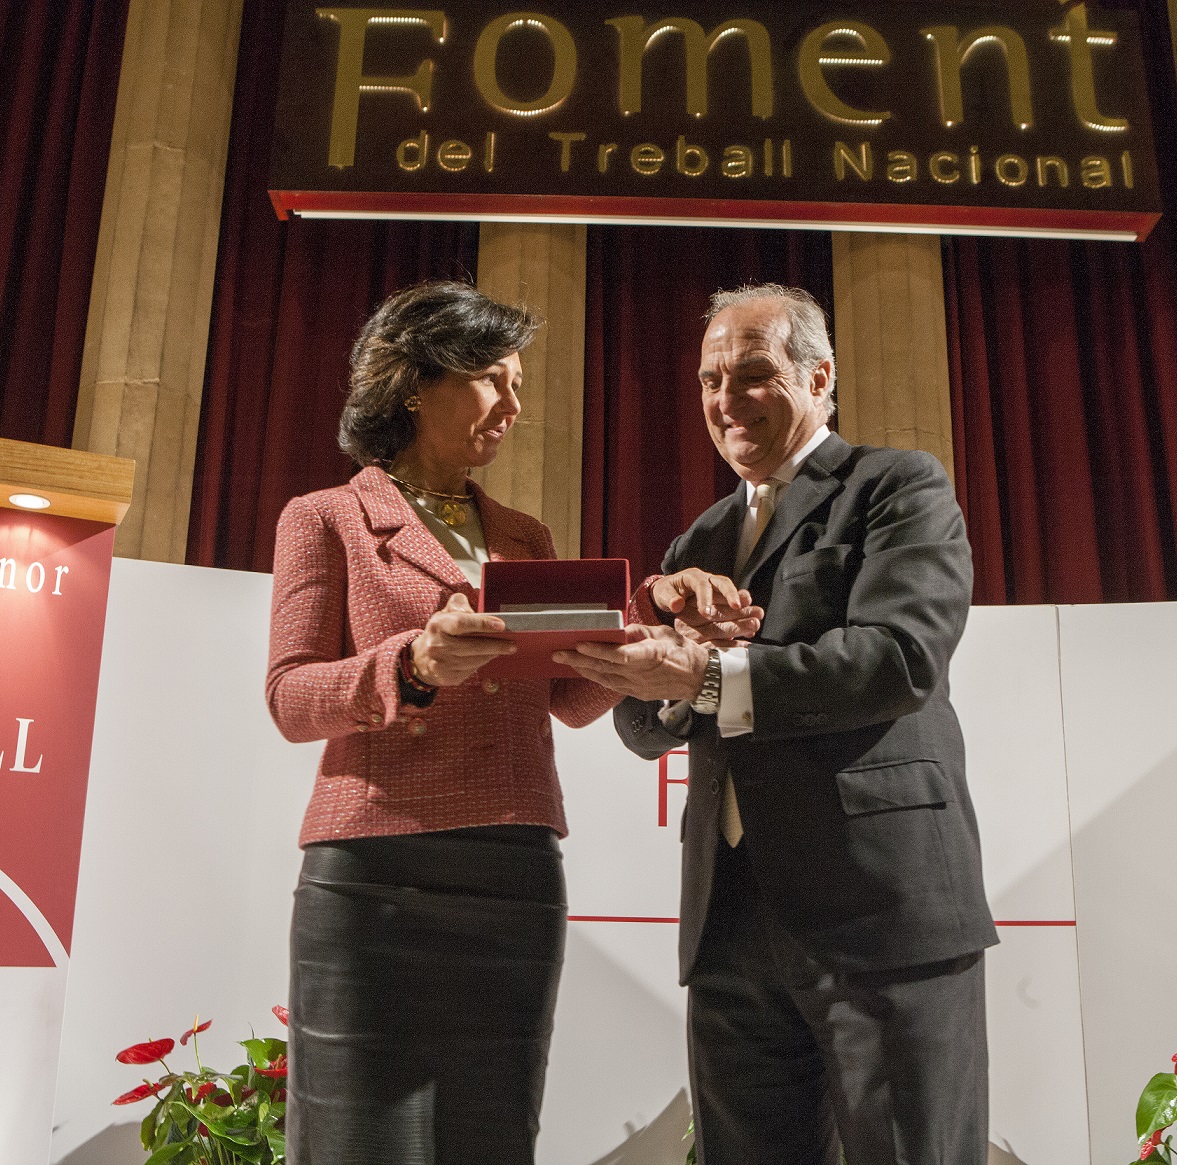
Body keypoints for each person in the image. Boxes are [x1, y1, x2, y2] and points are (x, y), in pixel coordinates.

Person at [558, 284, 997, 1165]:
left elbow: (899, 659)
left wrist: (710, 674)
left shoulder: (898, 486)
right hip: (729, 925)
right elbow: (646, 727)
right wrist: (659, 677)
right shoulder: (697, 544)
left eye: (752, 374)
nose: (726, 401)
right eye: (711, 379)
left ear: (819, 376)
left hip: (878, 910)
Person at [264, 281, 625, 1165]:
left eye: (517, 383)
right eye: (491, 379)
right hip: (375, 875)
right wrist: (410, 665)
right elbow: (290, 695)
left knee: (491, 1140)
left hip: (513, 871)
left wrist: (633, 652)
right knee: (358, 1141)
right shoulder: (326, 517)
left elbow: (566, 699)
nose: (513, 404)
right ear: (414, 384)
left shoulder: (526, 536)